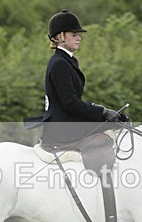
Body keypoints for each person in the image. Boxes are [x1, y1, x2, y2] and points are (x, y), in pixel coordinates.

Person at [24, 9, 126, 146]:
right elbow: (70, 102)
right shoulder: (59, 63)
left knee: (117, 123)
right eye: (74, 35)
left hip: (68, 122)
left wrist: (102, 111)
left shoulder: (68, 60)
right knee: (110, 128)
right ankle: (103, 168)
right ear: (60, 37)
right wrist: (103, 112)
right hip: (62, 128)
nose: (79, 38)